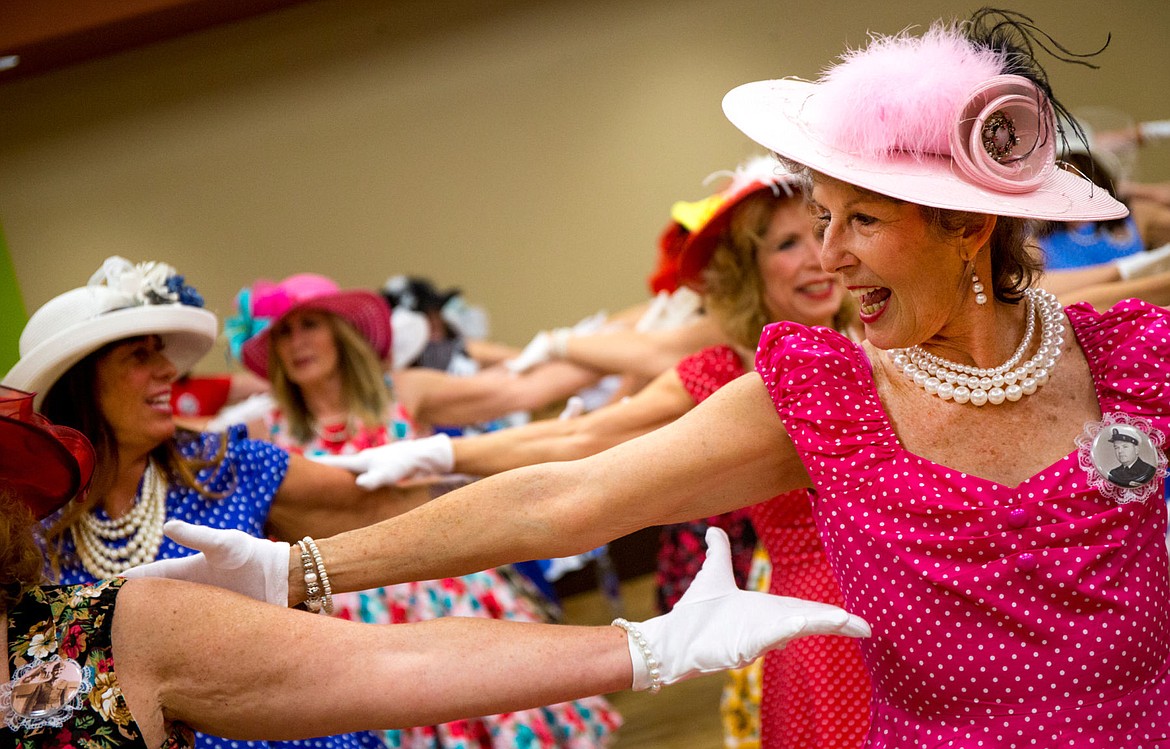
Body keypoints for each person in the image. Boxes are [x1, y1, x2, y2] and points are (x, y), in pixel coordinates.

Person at [314, 155, 871, 749]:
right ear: (748, 271)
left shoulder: (878, 334)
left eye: (819, 233)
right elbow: (584, 437)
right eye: (788, 244)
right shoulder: (728, 368)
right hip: (820, 615)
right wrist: (443, 457)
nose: (817, 257)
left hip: (919, 591)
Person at [0, 384, 871, 749]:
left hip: (372, 611)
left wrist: (648, 646)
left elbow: (395, 658)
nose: (828, 251)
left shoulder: (100, 625)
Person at [0, 256, 434, 749]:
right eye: (140, 357)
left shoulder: (226, 466)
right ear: (80, 384)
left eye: (160, 354)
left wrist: (456, 458)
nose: (168, 371)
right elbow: (28, 693)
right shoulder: (31, 527)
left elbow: (388, 509)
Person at [238, 270, 622, 748]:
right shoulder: (261, 429)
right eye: (283, 333)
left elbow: (519, 392)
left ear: (341, 333)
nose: (297, 343)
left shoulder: (402, 392)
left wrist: (623, 347)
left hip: (442, 578)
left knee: (499, 704)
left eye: (310, 325)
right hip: (345, 608)